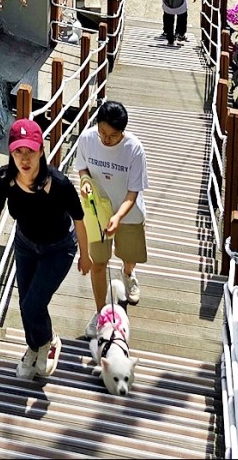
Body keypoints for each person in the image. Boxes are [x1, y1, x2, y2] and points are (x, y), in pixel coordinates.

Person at [0, 118, 90, 381]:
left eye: (30, 151)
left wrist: (86, 255)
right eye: (18, 151)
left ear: (41, 150)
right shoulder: (4, 177)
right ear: (11, 152)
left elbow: (80, 219)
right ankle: (34, 346)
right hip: (25, 244)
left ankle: (47, 342)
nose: (24, 158)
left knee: (32, 305)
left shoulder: (59, 185)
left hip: (59, 249)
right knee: (26, 302)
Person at [75, 99, 150, 318]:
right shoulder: (87, 139)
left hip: (128, 214)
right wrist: (86, 181)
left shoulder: (134, 149)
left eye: (113, 136)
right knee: (98, 263)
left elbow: (133, 192)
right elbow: (82, 168)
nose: (107, 140)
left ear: (122, 132)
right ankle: (101, 313)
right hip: (97, 212)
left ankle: (127, 273)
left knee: (129, 255)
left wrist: (118, 217)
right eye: (103, 133)